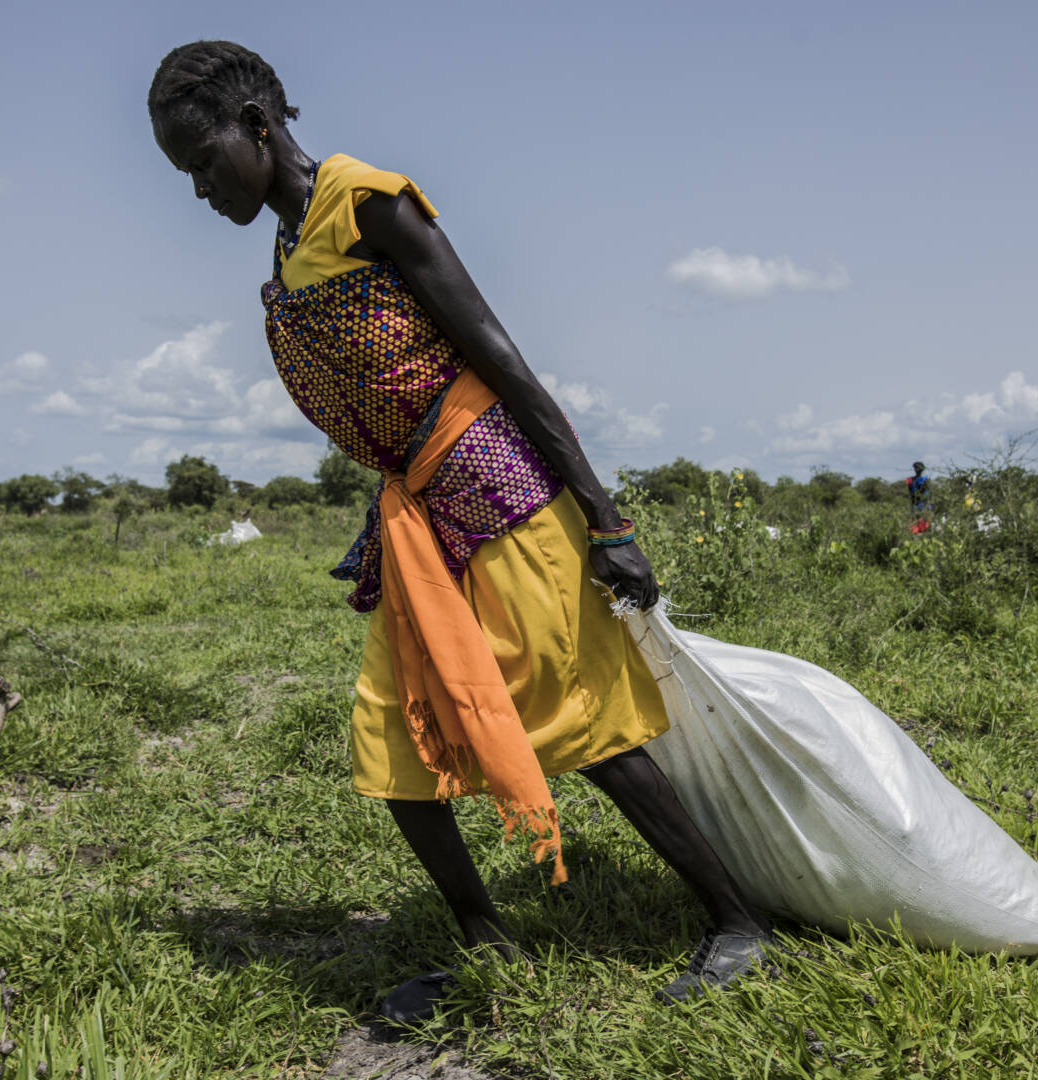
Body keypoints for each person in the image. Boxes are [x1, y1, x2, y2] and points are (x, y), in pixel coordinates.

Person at [148, 42, 771, 1020]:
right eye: (183, 173)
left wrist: (607, 520)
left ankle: (738, 923)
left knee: (582, 724)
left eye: (203, 160)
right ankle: (492, 949)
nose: (197, 189)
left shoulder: (369, 204)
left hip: (502, 489)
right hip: (415, 515)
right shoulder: (288, 249)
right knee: (397, 743)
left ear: (260, 129)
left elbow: (503, 359)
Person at [906, 461, 932, 533]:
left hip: (923, 504)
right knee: (915, 523)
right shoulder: (910, 480)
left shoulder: (925, 479)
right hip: (917, 504)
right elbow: (911, 492)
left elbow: (927, 492)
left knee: (924, 523)